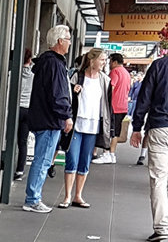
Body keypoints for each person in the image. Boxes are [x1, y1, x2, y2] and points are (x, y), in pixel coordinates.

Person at [23, 25, 72, 214]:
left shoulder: (45, 62)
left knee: (42, 159)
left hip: (43, 117)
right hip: (50, 120)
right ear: (60, 41)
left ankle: (33, 197)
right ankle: (33, 199)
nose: (69, 43)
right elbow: (58, 94)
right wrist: (66, 115)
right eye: (67, 39)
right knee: (43, 160)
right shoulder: (55, 64)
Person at [58, 48, 111, 209]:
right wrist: (74, 93)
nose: (104, 63)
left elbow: (107, 105)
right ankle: (67, 196)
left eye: (105, 60)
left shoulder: (105, 80)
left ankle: (78, 195)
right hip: (77, 123)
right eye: (101, 59)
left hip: (94, 124)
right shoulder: (77, 76)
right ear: (92, 60)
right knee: (72, 158)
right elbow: (67, 96)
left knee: (85, 161)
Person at [131, 52, 168, 242]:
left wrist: (137, 127)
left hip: (160, 127)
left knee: (159, 179)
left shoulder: (159, 66)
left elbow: (144, 97)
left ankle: (161, 227)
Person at [93, 53, 129, 165]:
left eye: (109, 61)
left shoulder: (115, 72)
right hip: (123, 106)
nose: (108, 64)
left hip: (113, 105)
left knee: (110, 131)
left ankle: (107, 153)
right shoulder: (126, 73)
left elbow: (110, 87)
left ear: (114, 61)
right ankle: (112, 154)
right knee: (116, 132)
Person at [14, 48, 33, 180]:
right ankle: (20, 170)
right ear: (30, 59)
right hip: (28, 109)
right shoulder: (34, 74)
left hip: (16, 108)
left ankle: (8, 166)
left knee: (11, 139)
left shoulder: (15, 73)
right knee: (23, 141)